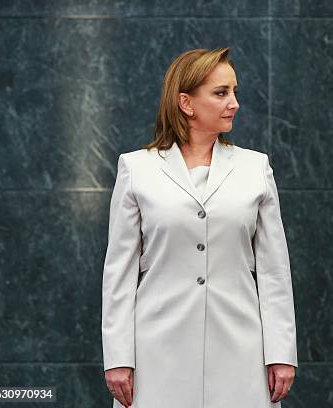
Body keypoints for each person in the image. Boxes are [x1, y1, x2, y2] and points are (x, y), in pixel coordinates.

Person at [101, 47, 297, 407]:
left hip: (242, 350)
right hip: (155, 352)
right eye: (221, 93)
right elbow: (119, 272)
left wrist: (281, 352)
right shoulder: (136, 169)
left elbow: (274, 270)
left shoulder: (256, 168)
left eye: (235, 92)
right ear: (186, 103)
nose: (234, 103)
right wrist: (117, 358)